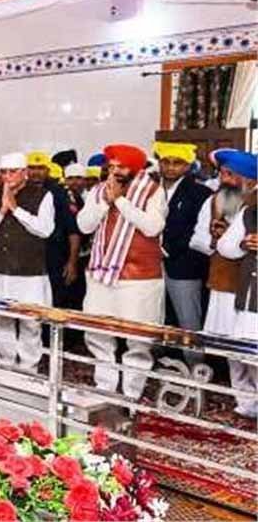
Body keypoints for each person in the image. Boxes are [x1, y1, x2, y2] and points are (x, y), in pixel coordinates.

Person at [78, 144, 166, 400]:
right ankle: (104, 388)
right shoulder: (98, 190)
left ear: (135, 169)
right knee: (97, 332)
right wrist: (105, 202)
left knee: (138, 339)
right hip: (100, 275)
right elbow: (84, 226)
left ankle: (131, 395)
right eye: (111, 166)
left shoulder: (153, 190)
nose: (114, 172)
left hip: (139, 279)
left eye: (121, 167)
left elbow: (153, 227)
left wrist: (120, 201)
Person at [0, 152, 55, 371]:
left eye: (12, 172)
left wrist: (17, 210)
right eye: (4, 172)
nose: (7, 176)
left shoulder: (43, 195)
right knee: (1, 320)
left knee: (31, 322)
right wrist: (2, 210)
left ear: (24, 173)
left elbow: (45, 229)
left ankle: (28, 368)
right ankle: (5, 365)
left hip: (29, 272)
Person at [191, 150, 256, 416]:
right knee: (231, 348)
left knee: (248, 347)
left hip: (247, 288)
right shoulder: (214, 201)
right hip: (222, 282)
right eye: (222, 174)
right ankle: (246, 402)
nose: (224, 180)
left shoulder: (252, 205)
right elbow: (197, 240)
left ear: (249, 179)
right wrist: (217, 240)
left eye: (231, 175)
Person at [153, 141, 210, 351]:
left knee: (188, 320)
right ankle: (158, 358)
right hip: (149, 265)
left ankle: (195, 364)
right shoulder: (149, 189)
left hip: (184, 265)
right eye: (165, 162)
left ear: (187, 166)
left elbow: (196, 230)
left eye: (177, 163)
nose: (170, 167)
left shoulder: (200, 193)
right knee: (155, 316)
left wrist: (165, 250)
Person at [214, 170, 257, 417]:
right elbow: (224, 247)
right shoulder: (249, 213)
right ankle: (248, 405)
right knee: (241, 353)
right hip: (250, 296)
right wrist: (242, 244)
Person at [28, 151, 81, 311]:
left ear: (48, 170)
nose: (36, 172)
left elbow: (73, 230)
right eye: (32, 168)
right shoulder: (20, 191)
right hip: (28, 259)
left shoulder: (60, 193)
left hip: (55, 255)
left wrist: (72, 262)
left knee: (56, 303)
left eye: (40, 168)